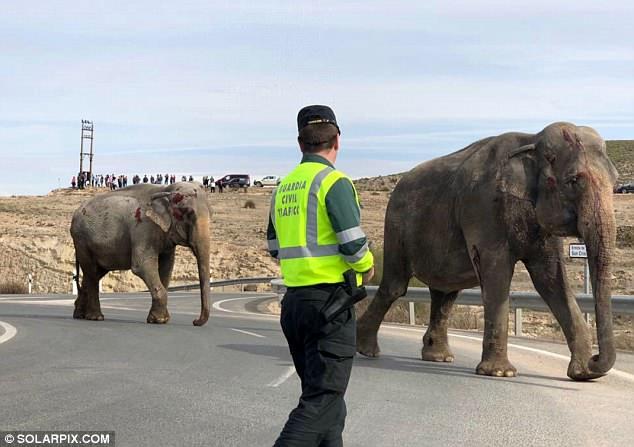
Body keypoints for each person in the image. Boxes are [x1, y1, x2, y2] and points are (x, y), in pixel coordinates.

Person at [267, 105, 374, 446]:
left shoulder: (282, 188)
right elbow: (354, 245)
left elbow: (274, 246)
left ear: (300, 143)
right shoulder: (333, 182)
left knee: (330, 408)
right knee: (323, 400)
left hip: (295, 305)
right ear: (337, 140)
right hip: (330, 305)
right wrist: (366, 266)